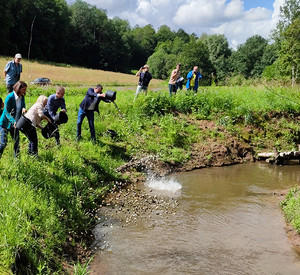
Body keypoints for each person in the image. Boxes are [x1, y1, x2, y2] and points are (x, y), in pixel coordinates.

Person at [0, 81, 27, 158]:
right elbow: (6, 112)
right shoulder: (10, 97)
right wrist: (13, 121)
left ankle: (17, 161)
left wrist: (24, 109)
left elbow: (23, 106)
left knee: (16, 143)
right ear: (18, 89)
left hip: (15, 124)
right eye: (23, 89)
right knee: (3, 143)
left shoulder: (22, 97)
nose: (24, 92)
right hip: (5, 123)